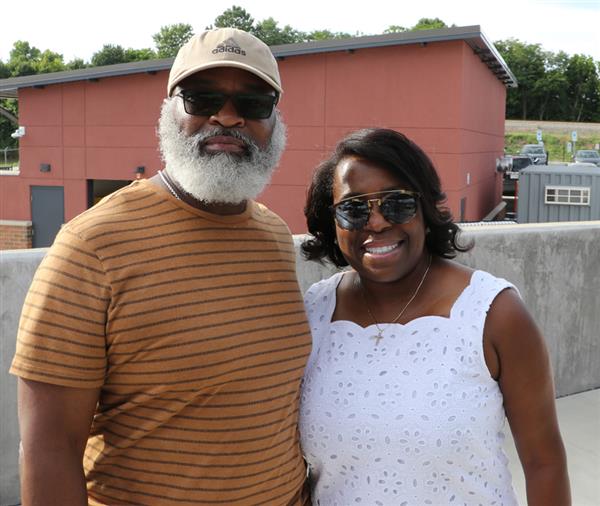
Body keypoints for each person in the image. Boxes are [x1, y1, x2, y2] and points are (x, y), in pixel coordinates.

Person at [11, 28, 311, 506]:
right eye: (202, 98)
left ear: (275, 121)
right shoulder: (91, 245)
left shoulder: (274, 236)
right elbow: (50, 448)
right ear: (170, 110)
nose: (227, 117)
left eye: (253, 103)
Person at [299, 128, 570, 505]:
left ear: (425, 210)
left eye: (397, 204)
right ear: (333, 223)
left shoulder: (494, 313)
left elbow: (544, 463)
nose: (376, 223)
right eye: (354, 208)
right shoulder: (314, 312)